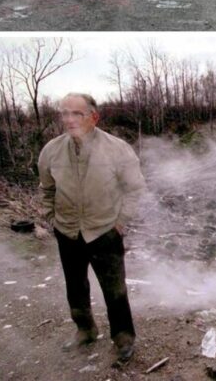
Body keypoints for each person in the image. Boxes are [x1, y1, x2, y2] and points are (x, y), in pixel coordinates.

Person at [38, 93, 146, 365]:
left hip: (104, 231)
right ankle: (85, 330)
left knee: (115, 289)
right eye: (64, 113)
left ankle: (123, 337)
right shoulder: (51, 150)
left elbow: (135, 189)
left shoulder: (117, 148)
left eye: (77, 113)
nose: (69, 119)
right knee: (75, 287)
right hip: (68, 230)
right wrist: (52, 217)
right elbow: (47, 190)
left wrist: (120, 221)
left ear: (93, 117)